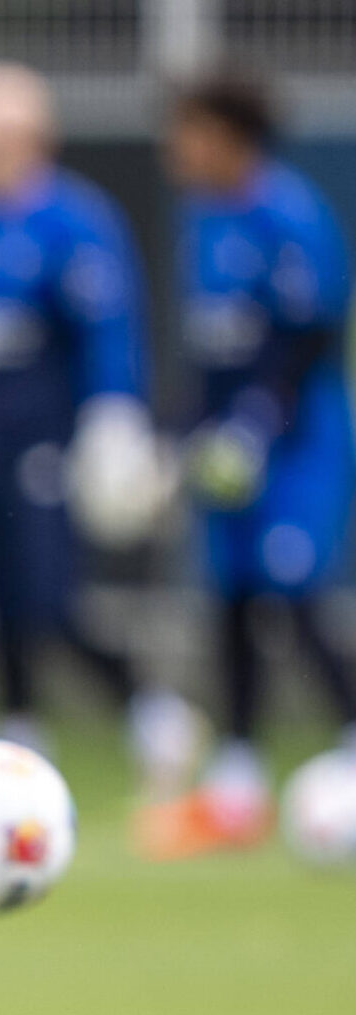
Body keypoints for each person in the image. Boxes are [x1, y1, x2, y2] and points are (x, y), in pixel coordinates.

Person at [0, 61, 198, 775]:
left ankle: (147, 707)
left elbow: (108, 327)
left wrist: (113, 418)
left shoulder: (72, 220)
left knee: (50, 594)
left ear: (24, 136)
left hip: (51, 430)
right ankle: (16, 725)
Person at [138, 72, 356, 857]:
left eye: (186, 131)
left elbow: (308, 333)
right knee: (228, 598)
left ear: (227, 136)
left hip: (297, 445)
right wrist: (180, 434)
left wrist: (255, 429)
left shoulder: (286, 211)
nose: (175, 150)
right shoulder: (201, 218)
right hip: (226, 447)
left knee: (291, 595)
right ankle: (237, 779)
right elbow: (211, 349)